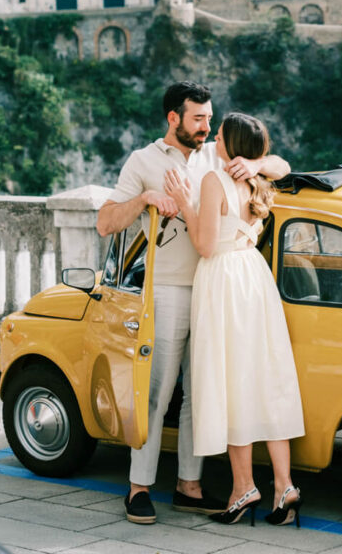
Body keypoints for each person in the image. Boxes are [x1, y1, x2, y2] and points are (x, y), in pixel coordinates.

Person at [96, 82, 291, 526]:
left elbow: (280, 165)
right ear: (173, 118)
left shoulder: (217, 155)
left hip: (213, 289)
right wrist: (145, 199)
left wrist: (257, 162)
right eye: (198, 119)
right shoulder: (142, 161)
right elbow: (105, 222)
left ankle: (189, 485)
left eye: (209, 119)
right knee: (158, 391)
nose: (206, 127)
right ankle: (139, 487)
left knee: (200, 395)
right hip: (166, 288)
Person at [164, 111, 304, 528]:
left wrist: (187, 207)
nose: (215, 138)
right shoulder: (257, 180)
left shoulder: (213, 181)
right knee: (267, 380)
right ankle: (284, 485)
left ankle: (243, 486)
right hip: (255, 280)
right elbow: (282, 165)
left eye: (220, 134)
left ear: (232, 144)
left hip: (223, 278)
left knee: (230, 382)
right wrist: (260, 164)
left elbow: (205, 245)